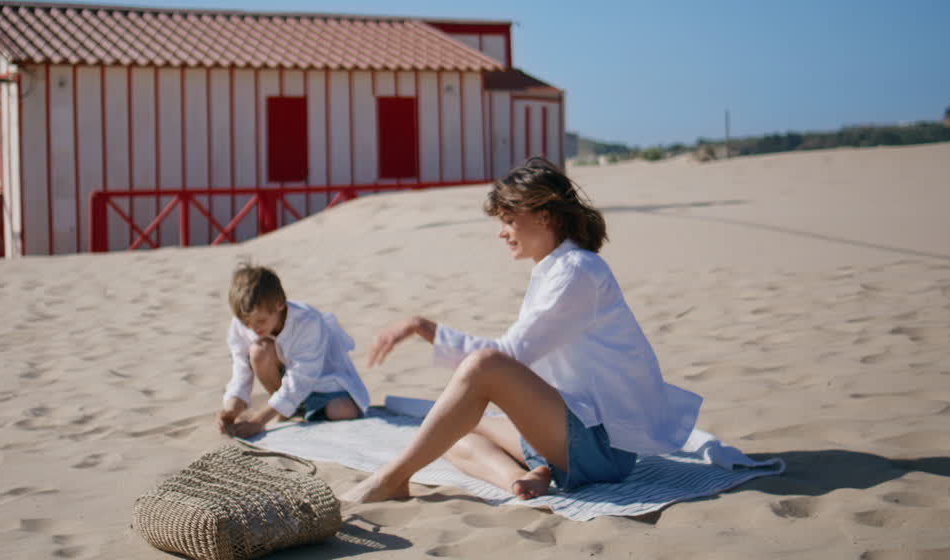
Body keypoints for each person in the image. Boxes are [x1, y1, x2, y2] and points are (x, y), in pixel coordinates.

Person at [342, 157, 702, 503]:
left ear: (544, 217)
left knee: (482, 368)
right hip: (571, 430)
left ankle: (391, 478)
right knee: (445, 432)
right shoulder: (555, 268)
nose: (502, 232)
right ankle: (522, 479)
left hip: (601, 447)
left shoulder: (576, 271)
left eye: (508, 220)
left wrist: (425, 328)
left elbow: (507, 356)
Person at [218, 263, 371, 438]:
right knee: (258, 351)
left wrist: (259, 421)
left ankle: (290, 407)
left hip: (319, 380)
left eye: (261, 321)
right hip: (282, 380)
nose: (253, 328)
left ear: (279, 305)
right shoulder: (245, 319)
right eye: (247, 323)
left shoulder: (308, 322)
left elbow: (301, 378)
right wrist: (232, 408)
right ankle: (284, 410)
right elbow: (241, 369)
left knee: (343, 411)